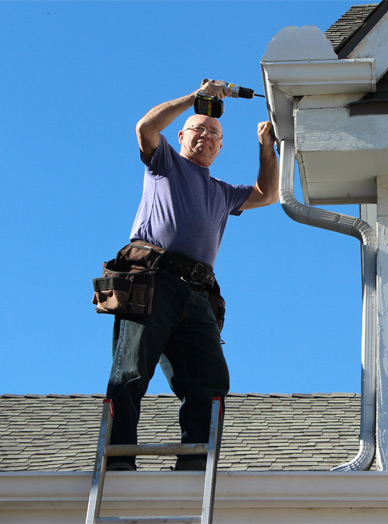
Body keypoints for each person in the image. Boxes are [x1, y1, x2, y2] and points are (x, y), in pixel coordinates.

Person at [105, 80, 279, 471]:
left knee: (210, 380)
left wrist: (266, 146)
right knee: (131, 370)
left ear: (220, 148)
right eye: (198, 129)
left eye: (214, 134)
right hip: (153, 281)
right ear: (181, 136)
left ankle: (195, 462)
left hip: (197, 293)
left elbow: (267, 194)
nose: (206, 136)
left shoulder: (222, 191)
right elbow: (145, 129)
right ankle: (117, 462)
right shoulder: (165, 163)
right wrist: (193, 98)